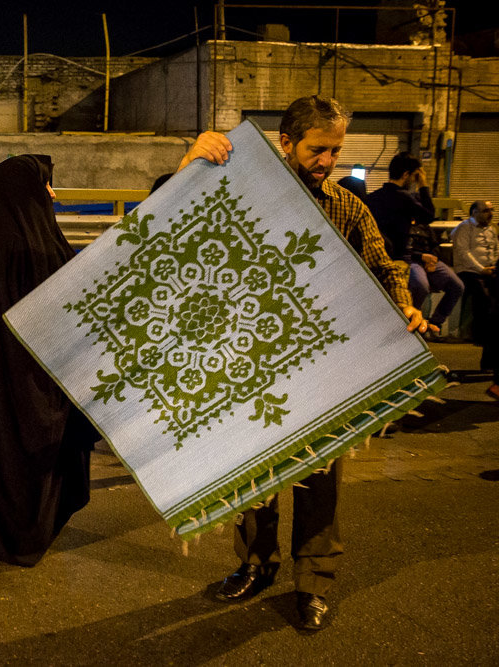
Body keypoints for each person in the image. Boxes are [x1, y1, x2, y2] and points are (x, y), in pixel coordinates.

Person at [178, 95, 430, 632]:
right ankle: (255, 565)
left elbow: (386, 267)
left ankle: (313, 583)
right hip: (256, 361)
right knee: (257, 474)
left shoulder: (349, 206)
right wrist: (191, 162)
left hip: (325, 367)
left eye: (335, 151)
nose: (327, 161)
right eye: (318, 149)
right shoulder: (242, 190)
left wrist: (404, 303)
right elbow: (179, 220)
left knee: (321, 479)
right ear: (286, 143)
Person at [0, 154, 99, 566]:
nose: (53, 194)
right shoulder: (32, 245)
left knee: (7, 450)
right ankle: (24, 533)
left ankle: (14, 526)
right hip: (36, 375)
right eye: (45, 185)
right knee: (33, 453)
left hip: (6, 376)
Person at [366, 152, 464, 332]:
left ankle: (430, 324)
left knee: (447, 285)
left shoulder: (374, 197)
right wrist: (423, 185)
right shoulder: (404, 198)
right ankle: (411, 325)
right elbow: (428, 215)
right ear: (406, 175)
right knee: (421, 286)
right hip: (402, 258)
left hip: (390, 255)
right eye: (414, 176)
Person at [451, 200, 497, 374]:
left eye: (491, 210)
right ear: (474, 212)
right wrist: (481, 269)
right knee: (483, 295)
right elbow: (464, 253)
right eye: (486, 211)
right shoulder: (464, 228)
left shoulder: (491, 230)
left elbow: (495, 250)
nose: (490, 213)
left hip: (489, 270)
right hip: (469, 271)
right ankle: (481, 336)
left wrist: (493, 268)